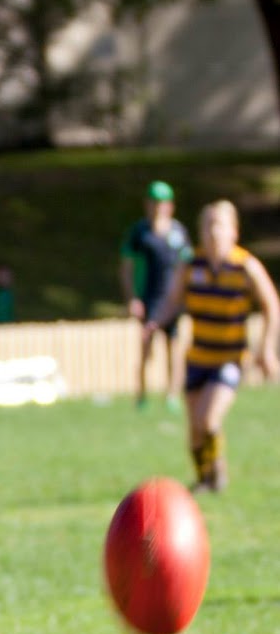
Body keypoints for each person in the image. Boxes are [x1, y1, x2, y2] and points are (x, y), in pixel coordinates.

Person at [145, 199, 280, 492]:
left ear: (234, 231)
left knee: (208, 420)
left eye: (218, 225)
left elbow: (272, 304)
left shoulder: (245, 266)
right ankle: (205, 479)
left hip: (229, 359)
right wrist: (155, 322)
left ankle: (218, 473)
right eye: (206, 226)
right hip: (198, 358)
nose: (212, 232)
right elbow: (172, 301)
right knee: (194, 432)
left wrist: (267, 349)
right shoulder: (190, 264)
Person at [119, 180, 193, 409]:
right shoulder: (139, 233)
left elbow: (188, 265)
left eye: (162, 203)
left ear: (169, 205)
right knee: (146, 350)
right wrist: (132, 298)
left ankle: (172, 396)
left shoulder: (178, 232)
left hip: (171, 299)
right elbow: (127, 267)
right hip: (149, 298)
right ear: (147, 204)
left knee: (174, 348)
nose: (158, 207)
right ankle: (141, 396)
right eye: (154, 203)